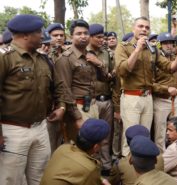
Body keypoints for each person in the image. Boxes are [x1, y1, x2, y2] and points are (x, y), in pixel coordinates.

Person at [0, 14, 66, 185]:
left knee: (40, 177)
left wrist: (61, 106)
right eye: (39, 31)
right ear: (26, 35)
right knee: (11, 179)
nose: (43, 35)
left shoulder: (43, 58)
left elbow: (57, 86)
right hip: (12, 131)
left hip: (40, 127)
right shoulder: (4, 57)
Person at [115, 16, 177, 155]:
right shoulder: (123, 47)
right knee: (131, 135)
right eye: (140, 26)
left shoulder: (153, 49)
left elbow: (170, 68)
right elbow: (123, 70)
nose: (144, 30)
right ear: (133, 28)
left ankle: (142, 168)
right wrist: (137, 50)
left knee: (145, 136)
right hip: (131, 97)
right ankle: (128, 170)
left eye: (147, 27)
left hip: (147, 97)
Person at [55, 19, 108, 141]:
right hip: (78, 108)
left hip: (93, 105)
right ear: (71, 36)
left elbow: (104, 79)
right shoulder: (65, 59)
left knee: (94, 144)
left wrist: (99, 63)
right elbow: (64, 90)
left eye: (86, 33)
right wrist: (77, 117)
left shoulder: (91, 56)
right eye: (79, 34)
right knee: (79, 146)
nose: (83, 36)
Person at [40, 119, 111, 185]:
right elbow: (87, 172)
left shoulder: (63, 148)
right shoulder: (89, 168)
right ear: (96, 147)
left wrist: (99, 179)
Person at [87, 23, 115, 176]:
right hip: (91, 101)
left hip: (106, 99)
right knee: (92, 135)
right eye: (98, 37)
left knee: (106, 135)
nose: (102, 40)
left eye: (103, 37)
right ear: (90, 37)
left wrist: (99, 64)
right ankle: (92, 165)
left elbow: (110, 75)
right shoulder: (83, 52)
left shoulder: (106, 53)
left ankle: (106, 165)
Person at [153, 32, 177, 151]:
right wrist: (166, 89)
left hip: (176, 99)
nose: (169, 46)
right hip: (160, 99)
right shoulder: (155, 59)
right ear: (160, 45)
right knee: (160, 132)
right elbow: (150, 84)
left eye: (171, 43)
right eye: (165, 43)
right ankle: (161, 158)